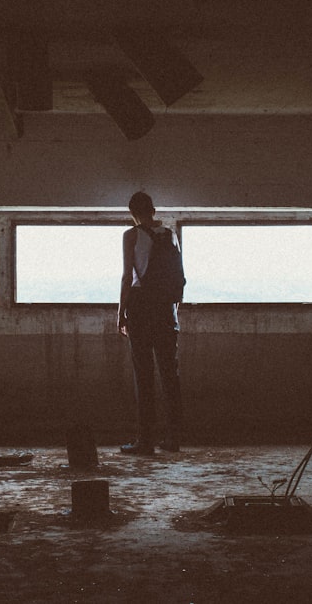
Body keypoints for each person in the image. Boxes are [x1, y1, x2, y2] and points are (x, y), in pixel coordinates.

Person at [117, 191, 183, 455]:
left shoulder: (131, 235)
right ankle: (174, 439)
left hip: (142, 307)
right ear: (153, 210)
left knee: (143, 375)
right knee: (170, 374)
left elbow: (126, 276)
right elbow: (179, 277)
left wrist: (121, 312)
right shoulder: (171, 235)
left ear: (132, 212)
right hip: (167, 310)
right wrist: (172, 310)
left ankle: (145, 441)